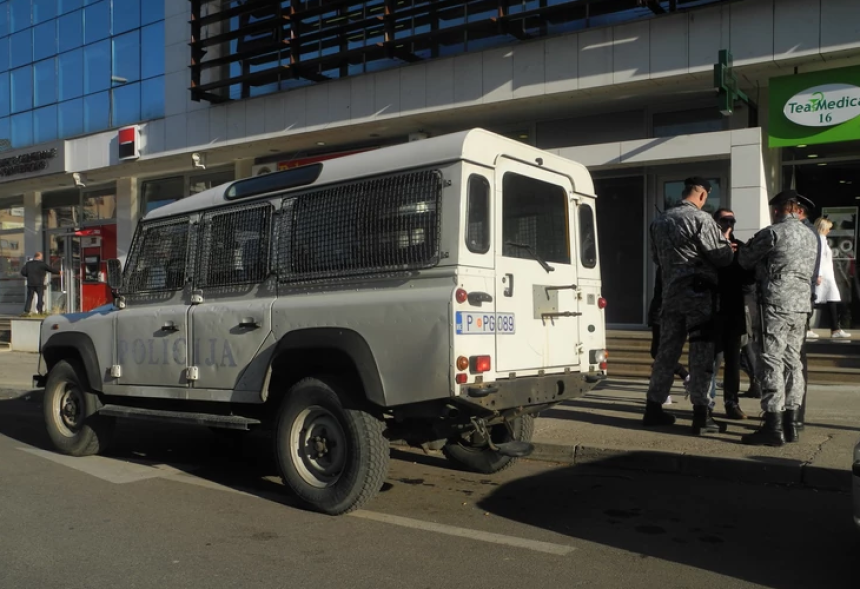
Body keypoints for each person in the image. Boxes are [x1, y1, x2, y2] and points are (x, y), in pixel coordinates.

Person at [642, 177, 734, 435]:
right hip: (699, 296)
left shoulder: (658, 221)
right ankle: (701, 416)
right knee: (701, 354)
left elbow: (656, 258)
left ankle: (653, 408)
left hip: (671, 296)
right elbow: (723, 257)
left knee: (666, 354)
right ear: (702, 195)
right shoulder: (701, 219)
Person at [738, 190, 818, 446]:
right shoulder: (811, 236)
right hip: (801, 304)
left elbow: (744, 259)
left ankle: (773, 424)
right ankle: (791, 423)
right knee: (794, 362)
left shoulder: (773, 233)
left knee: (772, 359)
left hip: (777, 302)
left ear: (778, 210)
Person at [710, 208, 756, 420]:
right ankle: (706, 404)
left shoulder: (741, 247)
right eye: (723, 220)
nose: (728, 224)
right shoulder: (707, 246)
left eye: (731, 220)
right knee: (712, 360)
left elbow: (749, 282)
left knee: (733, 362)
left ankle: (732, 403)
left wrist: (738, 258)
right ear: (715, 222)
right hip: (712, 310)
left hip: (734, 309)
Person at [647, 265, 690, 405]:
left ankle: (664, 393)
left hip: (665, 314)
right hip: (660, 313)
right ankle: (682, 378)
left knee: (662, 355)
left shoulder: (671, 265)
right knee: (659, 354)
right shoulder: (665, 266)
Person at [811, 217, 851, 339]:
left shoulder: (823, 240)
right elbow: (818, 259)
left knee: (831, 301)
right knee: (813, 302)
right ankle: (807, 328)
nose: (829, 231)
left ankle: (835, 329)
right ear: (823, 228)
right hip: (823, 276)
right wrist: (818, 274)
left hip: (828, 276)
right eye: (828, 229)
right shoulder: (819, 241)